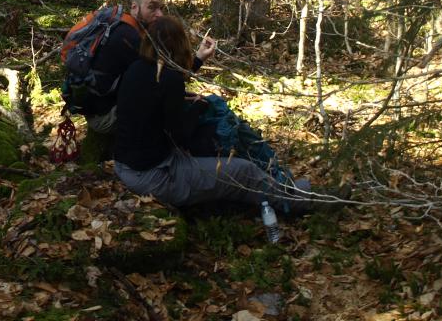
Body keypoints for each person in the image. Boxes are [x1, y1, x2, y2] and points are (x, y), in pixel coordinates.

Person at [113, 15, 319, 213]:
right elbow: (181, 135)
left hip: (128, 165)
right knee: (243, 171)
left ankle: (281, 187)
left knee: (213, 141)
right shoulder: (169, 80)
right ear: (179, 45)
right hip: (154, 176)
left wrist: (199, 59)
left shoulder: (137, 68)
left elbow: (162, 94)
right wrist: (200, 105)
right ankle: (296, 201)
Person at [83, 0, 215, 133]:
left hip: (107, 106)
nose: (159, 14)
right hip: (105, 116)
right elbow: (165, 79)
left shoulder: (131, 28)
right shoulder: (128, 38)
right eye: (152, 7)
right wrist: (198, 60)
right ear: (134, 7)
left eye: (161, 8)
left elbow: (164, 78)